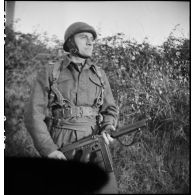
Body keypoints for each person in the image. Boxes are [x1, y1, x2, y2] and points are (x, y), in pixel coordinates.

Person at [24, 21, 119, 193]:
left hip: (97, 144)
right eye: (84, 37)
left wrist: (108, 127)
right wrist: (49, 150)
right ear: (70, 43)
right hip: (62, 142)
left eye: (92, 39)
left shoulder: (99, 74)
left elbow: (109, 109)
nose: (90, 42)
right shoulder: (50, 71)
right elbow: (33, 114)